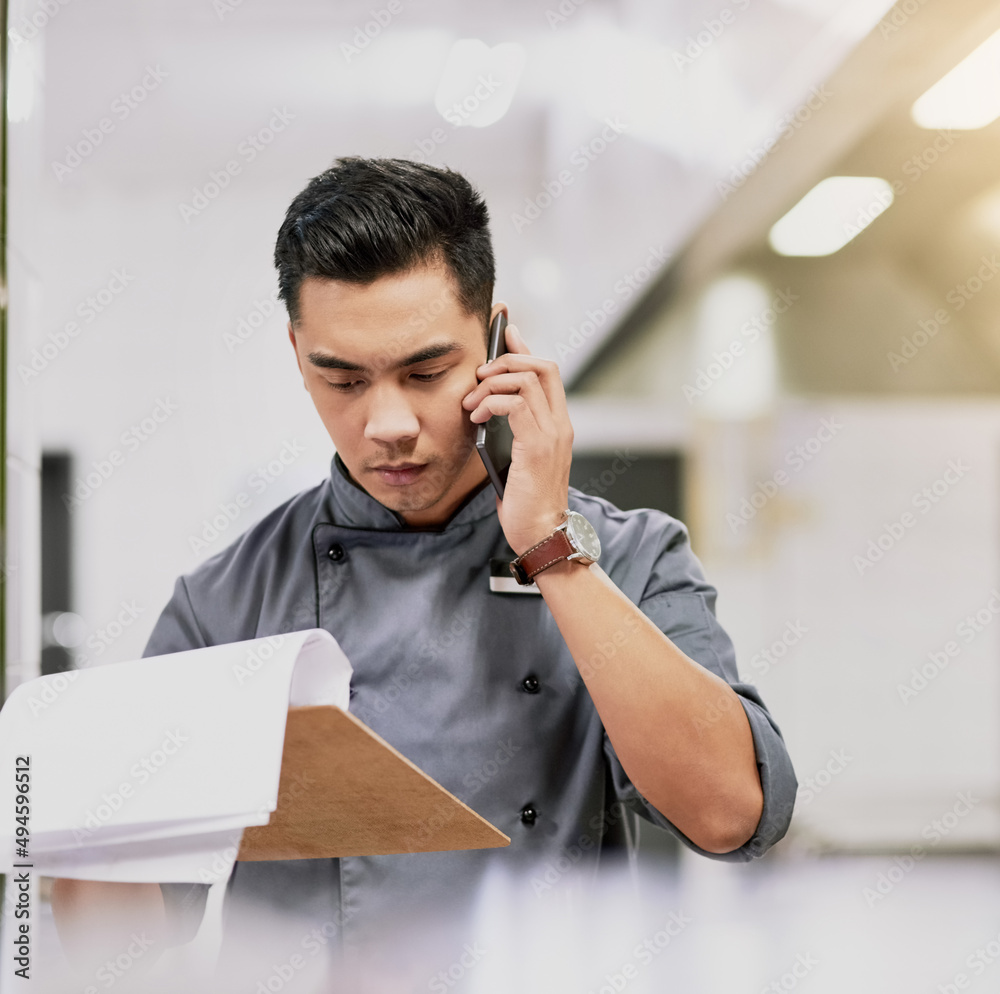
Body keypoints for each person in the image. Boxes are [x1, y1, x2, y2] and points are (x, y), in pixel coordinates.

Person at [53, 156, 796, 985]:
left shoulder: (625, 556)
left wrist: (551, 548)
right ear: (298, 353)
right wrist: (56, 813)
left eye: (426, 372)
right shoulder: (226, 602)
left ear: (495, 340)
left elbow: (730, 815)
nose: (388, 424)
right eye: (342, 378)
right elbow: (120, 938)